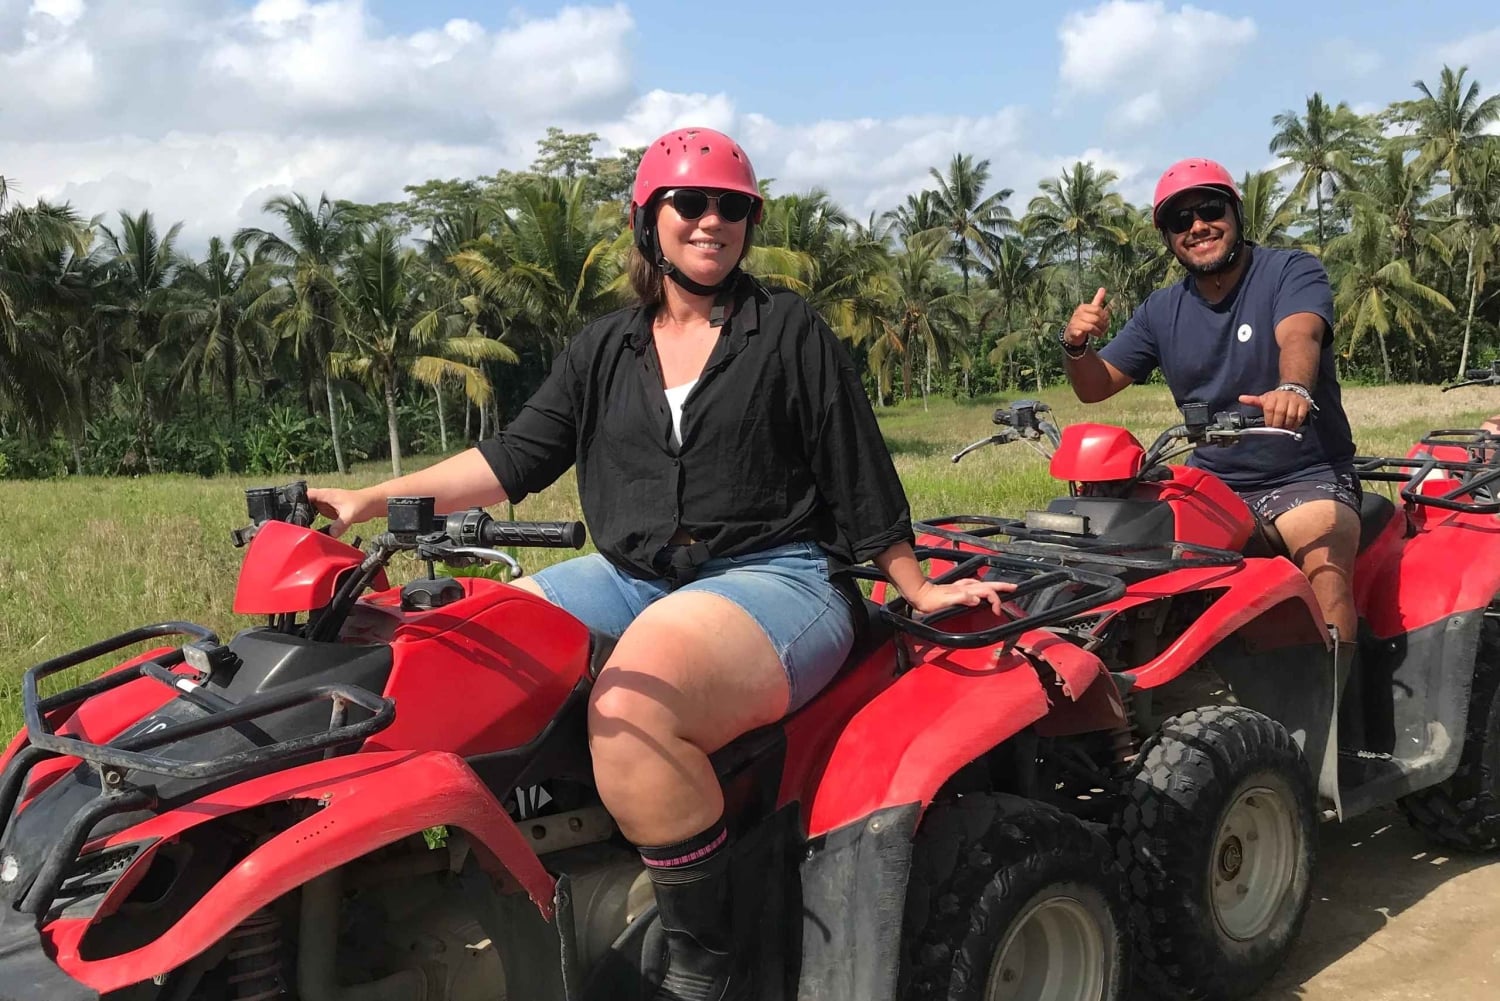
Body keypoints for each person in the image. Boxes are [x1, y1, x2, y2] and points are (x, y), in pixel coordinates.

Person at [309, 126, 1010, 1001]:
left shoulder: (787, 329)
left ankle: (703, 960)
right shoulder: (606, 346)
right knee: (457, 651)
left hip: (779, 577)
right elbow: (515, 458)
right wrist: (370, 498)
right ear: (650, 220)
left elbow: (855, 464)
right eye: (691, 203)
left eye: (734, 207)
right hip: (631, 575)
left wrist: (916, 584)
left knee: (633, 704)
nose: (712, 221)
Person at [1058, 157, 1361, 647]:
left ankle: (1331, 712)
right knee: (1117, 554)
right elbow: (1094, 386)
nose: (1198, 226)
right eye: (1181, 221)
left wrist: (1293, 388)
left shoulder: (1289, 270)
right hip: (1212, 483)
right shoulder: (1162, 309)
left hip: (1305, 476)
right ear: (1169, 238)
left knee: (1325, 561)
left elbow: (1299, 335)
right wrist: (1076, 345)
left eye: (1210, 210)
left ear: (1236, 214)